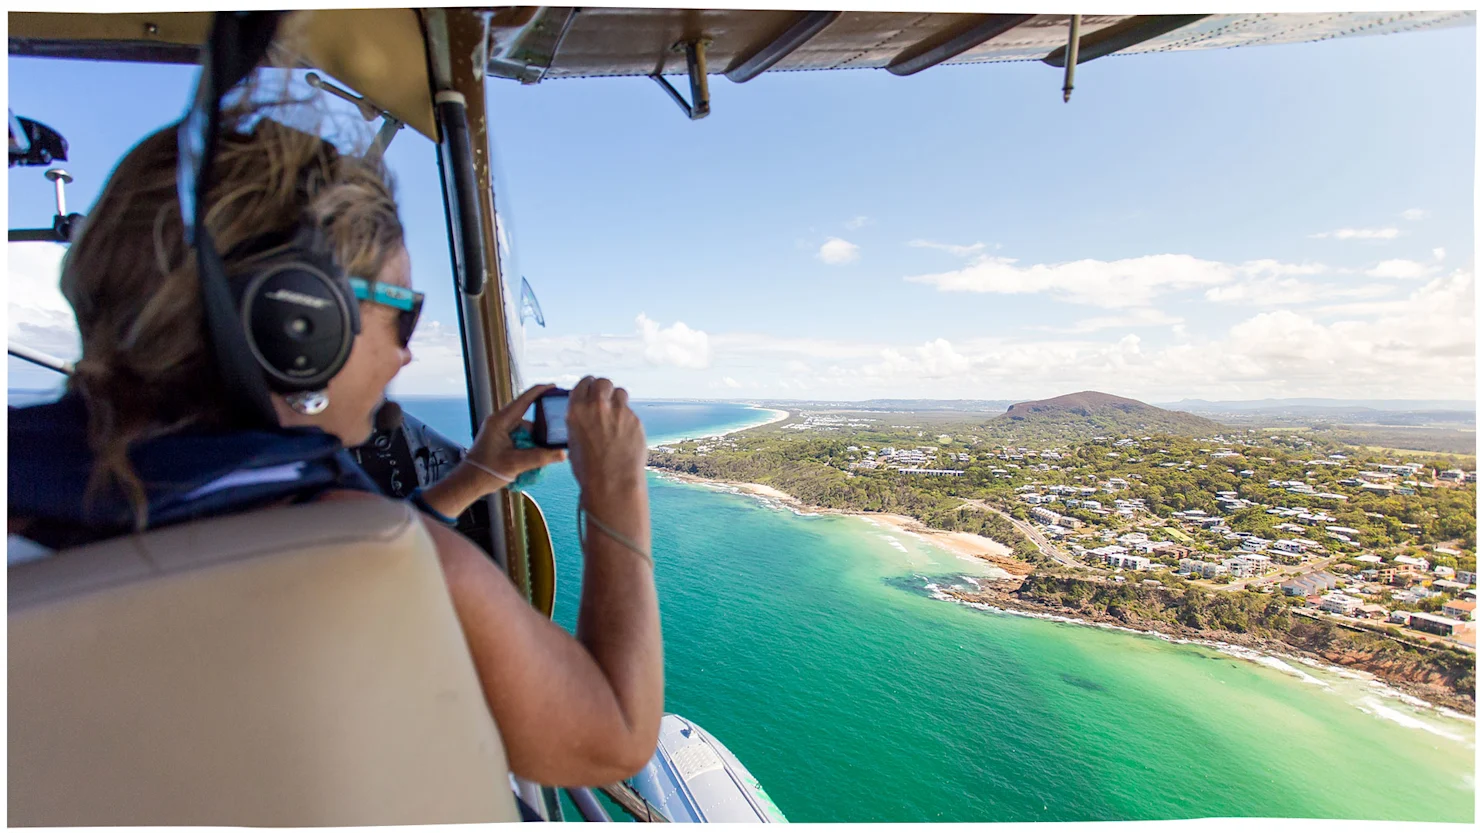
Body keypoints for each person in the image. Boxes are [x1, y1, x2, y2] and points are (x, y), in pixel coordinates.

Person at [6, 106, 662, 788]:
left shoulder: (32, 498)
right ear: (298, 320)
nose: (407, 354)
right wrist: (617, 488)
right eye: (401, 313)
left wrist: (475, 474)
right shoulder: (380, 560)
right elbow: (612, 738)